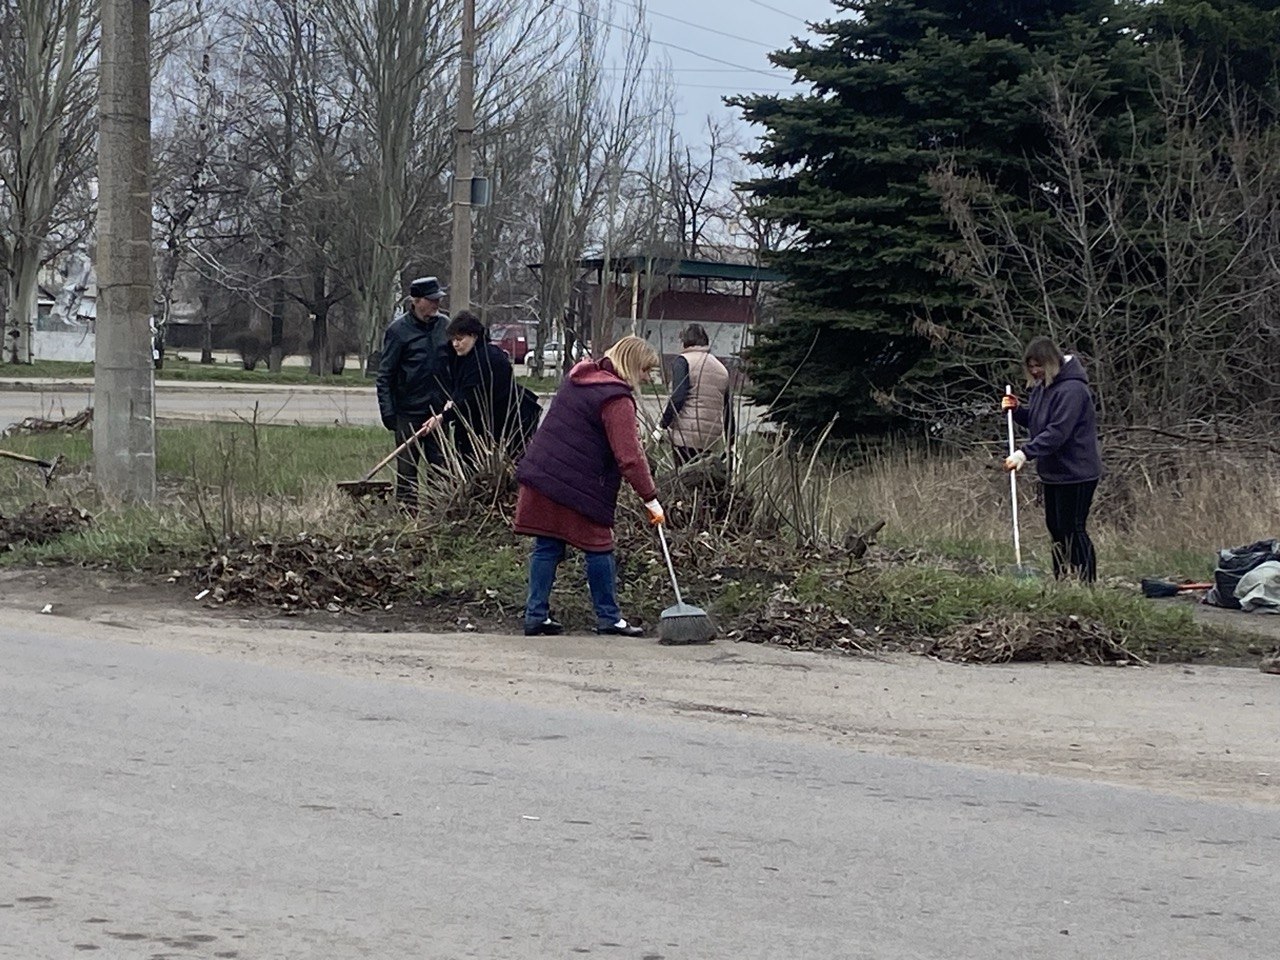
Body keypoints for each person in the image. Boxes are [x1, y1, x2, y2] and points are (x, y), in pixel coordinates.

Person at [514, 335, 665, 637]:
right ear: (633, 366)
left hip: (542, 474)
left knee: (547, 543)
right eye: (646, 371)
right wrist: (650, 498)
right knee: (599, 547)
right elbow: (629, 457)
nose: (647, 379)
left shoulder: (579, 379)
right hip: (578, 485)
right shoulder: (615, 397)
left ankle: (536, 615)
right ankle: (609, 617)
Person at [1002, 337, 1102, 582]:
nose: (1035, 371)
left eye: (1038, 365)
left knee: (1073, 529)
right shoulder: (1042, 388)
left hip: (1078, 473)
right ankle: (1062, 578)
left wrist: (1024, 453)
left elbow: (1058, 432)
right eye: (1030, 366)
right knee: (1056, 529)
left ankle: (1086, 582)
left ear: (1052, 362)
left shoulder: (1073, 390)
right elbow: (1039, 422)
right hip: (1053, 473)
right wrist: (1017, 411)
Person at [376, 276, 450, 509]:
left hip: (437, 413)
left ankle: (439, 512)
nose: (436, 304)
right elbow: (385, 376)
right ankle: (407, 514)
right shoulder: (398, 331)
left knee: (441, 468)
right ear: (416, 301)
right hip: (407, 412)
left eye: (438, 299)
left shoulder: (445, 326)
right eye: (431, 300)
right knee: (407, 470)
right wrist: (389, 414)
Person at [435, 310, 519, 463]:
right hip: (472, 431)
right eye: (453, 340)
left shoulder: (487, 360)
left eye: (460, 339)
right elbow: (461, 389)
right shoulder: (464, 357)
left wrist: (444, 416)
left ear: (474, 336)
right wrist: (454, 399)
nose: (455, 344)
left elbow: (472, 397)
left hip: (492, 434)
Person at [655, 323, 734, 465]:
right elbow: (727, 409)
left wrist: (662, 425)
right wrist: (731, 443)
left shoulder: (683, 361)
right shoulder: (721, 368)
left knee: (683, 477)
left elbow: (678, 397)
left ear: (684, 342)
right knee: (701, 478)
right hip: (710, 437)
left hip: (685, 434)